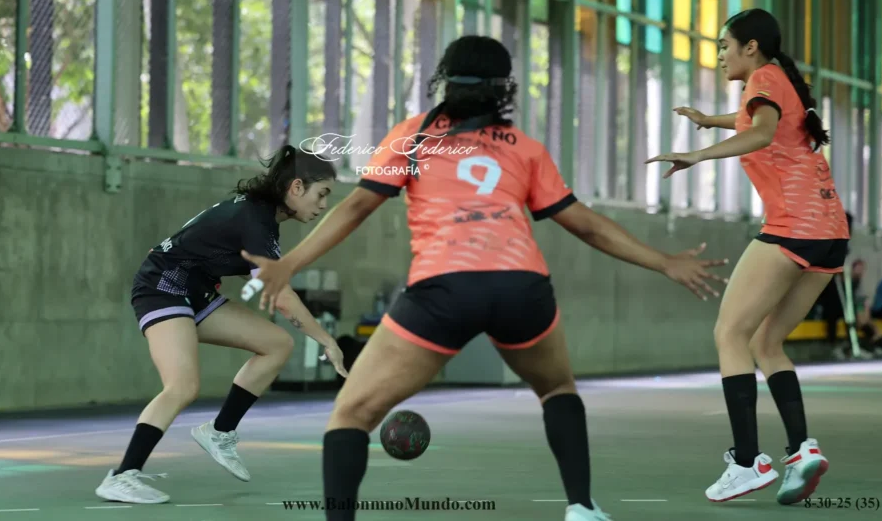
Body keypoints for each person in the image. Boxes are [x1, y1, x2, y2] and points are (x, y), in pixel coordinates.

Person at [243, 36, 728, 521]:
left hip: (444, 289)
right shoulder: (525, 148)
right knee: (558, 390)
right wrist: (664, 261)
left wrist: (289, 264)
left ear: (444, 81)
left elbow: (355, 208)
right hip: (521, 287)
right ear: (505, 89)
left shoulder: (413, 137)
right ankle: (582, 507)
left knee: (352, 414)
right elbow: (585, 224)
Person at [646, 8, 849, 505]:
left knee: (730, 333)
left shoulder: (762, 78)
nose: (720, 55)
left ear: (750, 47)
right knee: (766, 340)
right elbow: (764, 123)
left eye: (724, 45)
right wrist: (708, 121)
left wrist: (697, 155)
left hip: (794, 226)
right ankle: (801, 451)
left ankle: (746, 462)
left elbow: (761, 132)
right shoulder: (780, 80)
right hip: (830, 230)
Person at [94, 146, 349, 504]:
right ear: (296, 187)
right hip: (162, 288)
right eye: (321, 194)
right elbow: (282, 297)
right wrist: (326, 340)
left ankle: (219, 431)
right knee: (182, 386)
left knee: (277, 344)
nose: (323, 205)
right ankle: (122, 476)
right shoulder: (255, 220)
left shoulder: (260, 217)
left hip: (195, 293)